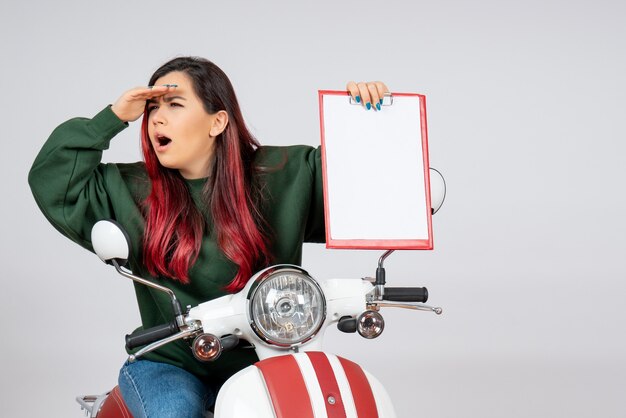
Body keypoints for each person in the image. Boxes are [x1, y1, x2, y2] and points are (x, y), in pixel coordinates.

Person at [28, 56, 389, 418]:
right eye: (152, 108)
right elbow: (52, 181)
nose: (156, 118)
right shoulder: (129, 189)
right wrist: (115, 116)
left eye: (174, 104)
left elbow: (364, 191)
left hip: (271, 356)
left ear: (217, 121)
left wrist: (364, 119)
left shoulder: (285, 173)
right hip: (172, 364)